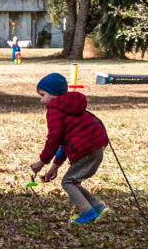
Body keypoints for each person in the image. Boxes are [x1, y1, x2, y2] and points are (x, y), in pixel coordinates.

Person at [30, 71, 112, 225]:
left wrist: (42, 162)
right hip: (96, 147)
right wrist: (54, 167)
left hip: (86, 149)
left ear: (53, 94)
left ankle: (88, 213)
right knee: (73, 180)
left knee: (68, 182)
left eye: (42, 95)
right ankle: (98, 207)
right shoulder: (71, 107)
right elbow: (64, 142)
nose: (41, 101)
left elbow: (54, 139)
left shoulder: (55, 111)